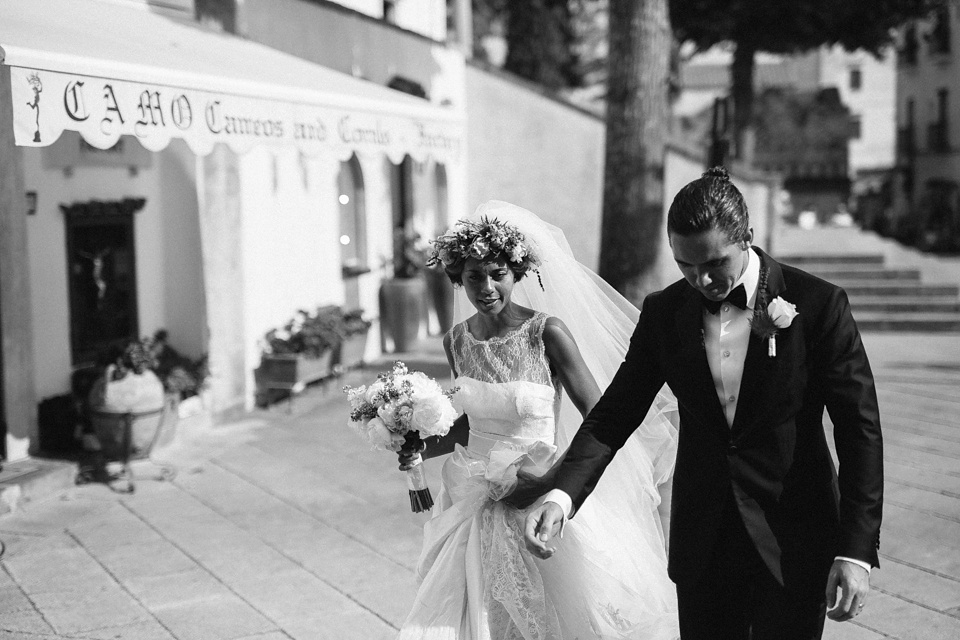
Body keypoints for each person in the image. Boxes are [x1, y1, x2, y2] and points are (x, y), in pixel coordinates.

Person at [525, 167, 884, 640]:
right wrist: (561, 495)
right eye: (685, 266)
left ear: (748, 238)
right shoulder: (663, 312)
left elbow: (860, 432)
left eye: (715, 263)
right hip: (704, 545)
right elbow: (614, 415)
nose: (703, 279)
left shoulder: (818, 305)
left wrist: (855, 550)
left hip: (794, 536)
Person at [396, 201, 681, 640]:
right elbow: (471, 423)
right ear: (458, 278)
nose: (486, 286)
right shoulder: (456, 341)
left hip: (541, 489)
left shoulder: (547, 332)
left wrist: (550, 480)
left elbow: (602, 420)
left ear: (517, 272)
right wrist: (419, 444)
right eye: (474, 276)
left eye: (497, 273)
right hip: (473, 496)